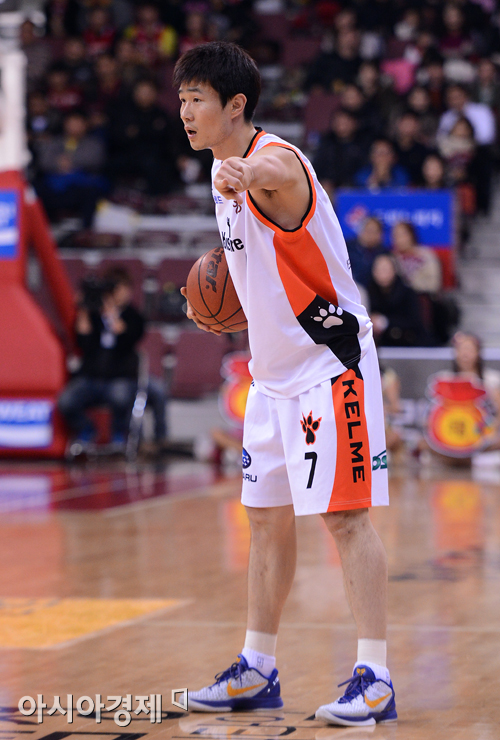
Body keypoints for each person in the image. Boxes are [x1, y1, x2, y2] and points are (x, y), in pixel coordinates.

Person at [177, 41, 395, 727]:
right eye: (181, 99)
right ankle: (258, 668)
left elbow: (275, 171)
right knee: (266, 522)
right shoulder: (220, 173)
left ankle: (377, 677)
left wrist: (245, 171)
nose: (185, 111)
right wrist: (217, 304)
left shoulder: (276, 163)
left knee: (346, 518)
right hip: (271, 380)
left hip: (329, 368)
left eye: (197, 100)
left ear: (235, 106)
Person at [58, 268, 145, 446]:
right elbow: (83, 342)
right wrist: (83, 310)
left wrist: (110, 312)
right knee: (66, 402)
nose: (123, 293)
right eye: (118, 289)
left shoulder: (133, 316)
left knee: (120, 397)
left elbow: (127, 338)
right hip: (91, 377)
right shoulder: (93, 315)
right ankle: (86, 429)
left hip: (119, 376)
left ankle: (119, 434)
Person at [368, 254, 426, 347]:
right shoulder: (369, 292)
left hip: (409, 343)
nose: (382, 273)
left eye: (385, 269)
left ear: (394, 270)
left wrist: (385, 322)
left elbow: (414, 322)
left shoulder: (407, 293)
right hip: (381, 345)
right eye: (378, 269)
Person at [391, 221, 441, 295]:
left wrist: (411, 286)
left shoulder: (426, 255)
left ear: (411, 235)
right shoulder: (391, 259)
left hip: (423, 297)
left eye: (402, 235)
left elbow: (434, 284)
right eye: (395, 235)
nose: (398, 239)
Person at [346, 216, 387, 290]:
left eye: (375, 232)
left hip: (376, 291)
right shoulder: (348, 248)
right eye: (369, 231)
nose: (371, 235)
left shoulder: (384, 254)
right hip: (350, 288)